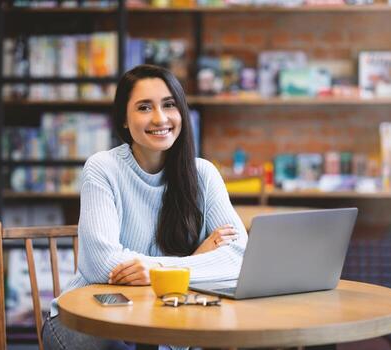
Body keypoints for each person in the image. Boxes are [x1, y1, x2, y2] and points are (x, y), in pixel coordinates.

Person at [43, 64, 248, 350]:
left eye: (169, 105)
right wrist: (195, 260)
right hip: (91, 321)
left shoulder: (203, 174)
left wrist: (155, 269)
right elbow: (102, 265)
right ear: (124, 120)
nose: (160, 118)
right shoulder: (103, 169)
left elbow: (239, 259)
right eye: (144, 107)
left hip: (166, 323)